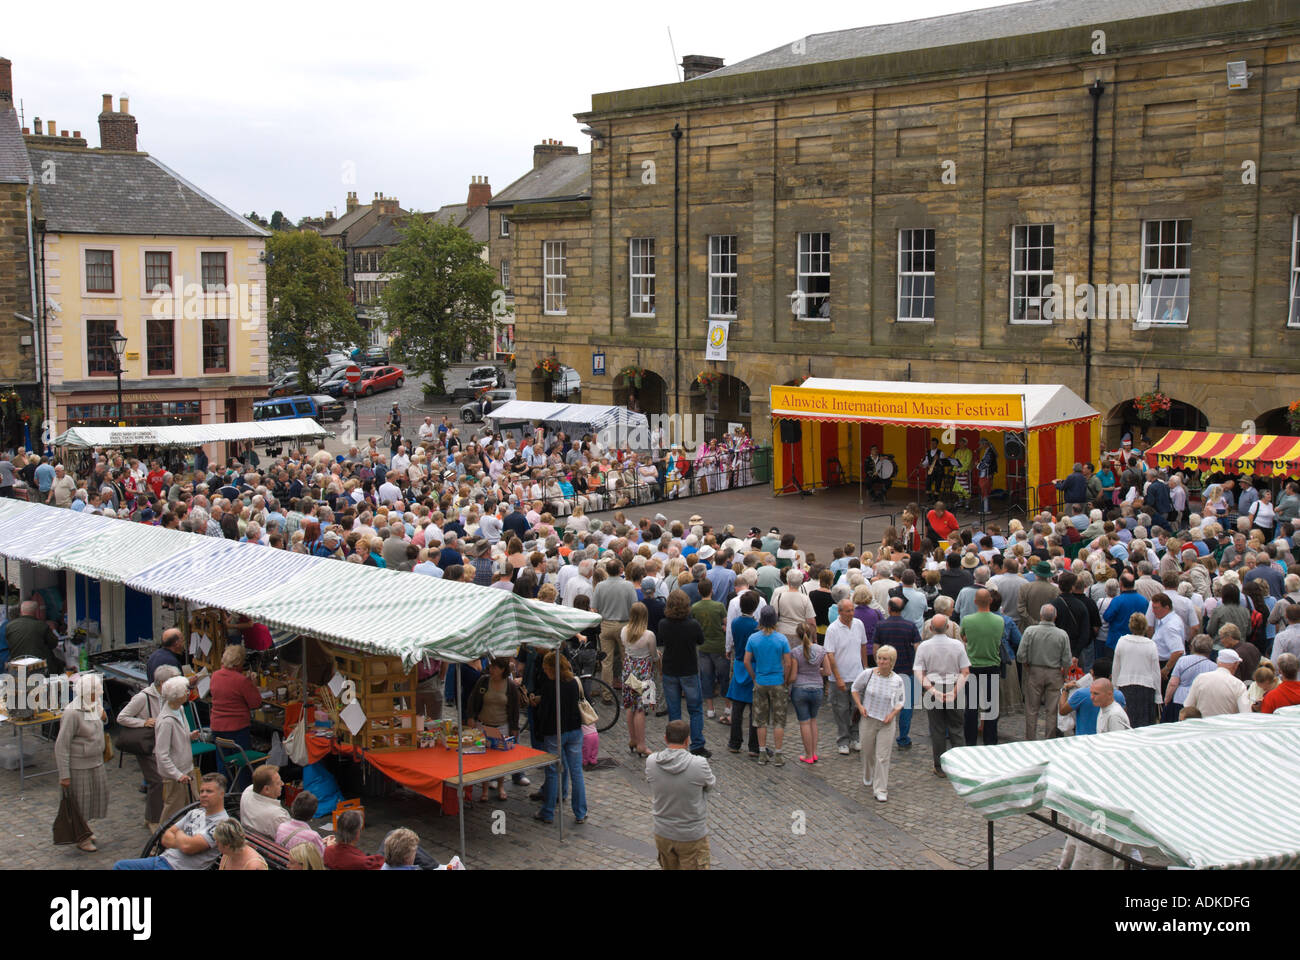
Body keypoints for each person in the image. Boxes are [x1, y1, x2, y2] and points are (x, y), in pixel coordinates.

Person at [112, 773, 230, 870]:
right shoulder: (195, 812)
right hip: (162, 860)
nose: (203, 795)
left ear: (221, 794)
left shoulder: (221, 824)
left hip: (177, 868)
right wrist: (183, 841)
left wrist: (178, 834)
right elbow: (165, 838)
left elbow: (188, 847)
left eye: (209, 791)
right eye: (202, 791)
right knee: (120, 866)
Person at [117, 663, 181, 835]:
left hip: (163, 745)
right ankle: (154, 820)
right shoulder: (143, 697)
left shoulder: (168, 696)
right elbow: (122, 717)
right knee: (157, 782)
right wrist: (143, 722)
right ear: (161, 684)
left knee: (161, 782)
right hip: (148, 746)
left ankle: (150, 817)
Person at [645, 719, 716, 870]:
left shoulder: (651, 761)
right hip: (691, 835)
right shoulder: (699, 764)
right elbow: (710, 785)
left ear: (665, 738)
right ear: (687, 740)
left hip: (663, 833)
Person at [531, 650, 587, 825]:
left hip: (555, 732)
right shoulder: (573, 682)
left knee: (553, 771)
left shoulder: (550, 685)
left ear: (550, 668)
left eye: (545, 668)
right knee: (576, 772)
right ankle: (580, 812)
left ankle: (548, 811)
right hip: (575, 730)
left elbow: (546, 712)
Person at [55, 673, 109, 854]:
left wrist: (104, 716)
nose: (97, 696)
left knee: (93, 799)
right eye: (94, 693)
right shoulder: (71, 713)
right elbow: (61, 745)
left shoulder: (94, 705)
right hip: (79, 765)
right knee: (80, 804)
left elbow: (102, 721)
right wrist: (64, 774)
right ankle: (82, 837)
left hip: (96, 761)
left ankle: (84, 830)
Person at [913, 615, 970, 777]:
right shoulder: (958, 645)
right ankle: (960, 765)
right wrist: (954, 691)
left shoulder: (924, 647)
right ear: (947, 628)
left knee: (937, 729)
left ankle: (939, 767)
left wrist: (932, 691)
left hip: (933, 687)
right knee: (957, 728)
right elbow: (965, 671)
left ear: (930, 628)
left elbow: (918, 672)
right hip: (954, 686)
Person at [851, 644, 906, 802]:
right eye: (880, 658)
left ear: (892, 662)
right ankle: (868, 773)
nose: (882, 662)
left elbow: (901, 701)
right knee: (867, 752)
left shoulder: (897, 680)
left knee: (882, 756)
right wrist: (860, 706)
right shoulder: (868, 674)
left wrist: (893, 714)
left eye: (885, 659)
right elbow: (855, 689)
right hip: (868, 720)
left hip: (886, 723)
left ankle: (881, 789)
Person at [658, 589, 708, 756]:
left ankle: (675, 743)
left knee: (674, 710)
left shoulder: (663, 624)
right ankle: (697, 744)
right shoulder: (692, 625)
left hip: (670, 670)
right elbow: (701, 640)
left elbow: (662, 641)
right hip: (688, 670)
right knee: (695, 708)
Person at [466, 657, 523, 800]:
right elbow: (473, 699)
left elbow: (515, 708)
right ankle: (484, 789)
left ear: (502, 669)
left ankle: (501, 786)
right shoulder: (484, 681)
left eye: (495, 668)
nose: (491, 670)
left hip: (502, 726)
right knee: (484, 757)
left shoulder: (509, 685)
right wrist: (471, 716)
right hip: (483, 724)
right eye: (491, 667)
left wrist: (514, 727)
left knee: (500, 758)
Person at [745, 606, 794, 766]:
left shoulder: (753, 638)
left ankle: (762, 752)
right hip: (777, 681)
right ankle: (778, 754)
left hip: (761, 681)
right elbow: (788, 663)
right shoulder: (781, 639)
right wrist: (785, 679)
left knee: (761, 720)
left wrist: (754, 677)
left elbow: (746, 661)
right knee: (779, 720)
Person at [209, 644, 262, 792]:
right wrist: (253, 685)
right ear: (239, 662)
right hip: (237, 728)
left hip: (218, 727)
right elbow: (255, 703)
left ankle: (222, 794)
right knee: (243, 764)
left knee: (223, 764)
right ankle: (243, 793)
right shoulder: (241, 681)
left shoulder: (215, 675)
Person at [1016, 604, 1071, 740]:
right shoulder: (1062, 634)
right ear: (1055, 617)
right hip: (1054, 672)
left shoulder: (1030, 631)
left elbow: (1021, 654)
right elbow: (1067, 660)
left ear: (1041, 616)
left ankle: (1030, 739)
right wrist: (1063, 675)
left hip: (1035, 671)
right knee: (1052, 710)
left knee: (1031, 709)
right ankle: (1049, 738)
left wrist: (1027, 666)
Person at [823, 597, 868, 755]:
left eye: (852, 610)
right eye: (848, 611)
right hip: (840, 677)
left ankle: (855, 736)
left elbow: (863, 645)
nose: (851, 613)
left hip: (857, 674)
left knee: (857, 708)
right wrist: (838, 677)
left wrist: (865, 667)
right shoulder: (833, 629)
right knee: (840, 710)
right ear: (840, 612)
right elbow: (830, 654)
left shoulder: (858, 624)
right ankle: (843, 739)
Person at [960, 588, 1004, 745]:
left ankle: (970, 742)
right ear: (990, 601)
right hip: (992, 665)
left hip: (973, 666)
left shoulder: (967, 620)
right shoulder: (999, 621)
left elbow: (964, 637)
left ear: (975, 602)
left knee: (971, 707)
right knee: (991, 708)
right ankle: (990, 741)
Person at [155, 675, 201, 824]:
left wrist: (189, 736)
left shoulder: (180, 710)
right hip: (175, 773)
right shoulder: (166, 721)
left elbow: (178, 737)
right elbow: (162, 754)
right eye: (185, 691)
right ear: (177, 696)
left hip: (187, 767)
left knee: (191, 803)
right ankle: (160, 841)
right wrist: (176, 774)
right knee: (173, 809)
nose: (188, 693)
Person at [724, 590, 761, 758]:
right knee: (755, 708)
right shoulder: (756, 627)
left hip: (739, 663)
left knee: (737, 709)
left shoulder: (736, 623)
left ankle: (734, 742)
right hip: (752, 665)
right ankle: (754, 745)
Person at [620, 602, 658, 757]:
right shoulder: (649, 635)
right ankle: (641, 744)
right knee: (641, 708)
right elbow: (654, 656)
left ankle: (633, 740)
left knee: (630, 705)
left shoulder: (624, 631)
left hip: (628, 669)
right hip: (643, 672)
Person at [1111, 612, 1161, 727]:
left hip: (1125, 686)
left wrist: (1114, 687)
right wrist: (1158, 695)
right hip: (1146, 688)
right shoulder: (1151, 644)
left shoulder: (1122, 641)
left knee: (1127, 722)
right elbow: (1155, 672)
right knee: (1145, 724)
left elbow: (1116, 667)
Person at [789, 622, 829, 764]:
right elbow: (828, 671)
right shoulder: (821, 650)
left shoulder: (795, 652)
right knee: (813, 721)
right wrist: (816, 671)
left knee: (804, 723)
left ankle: (808, 755)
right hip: (817, 687)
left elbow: (793, 676)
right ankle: (814, 752)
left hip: (800, 688)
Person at [1182, 649, 1251, 719]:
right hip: (1226, 727)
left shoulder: (1200, 678)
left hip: (1203, 726)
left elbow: (1188, 706)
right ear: (1235, 665)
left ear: (1217, 661)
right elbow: (1246, 713)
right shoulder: (1238, 685)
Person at [1163, 635, 1216, 723]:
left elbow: (1173, 683)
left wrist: (1167, 699)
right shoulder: (1214, 666)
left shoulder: (1182, 660)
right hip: (1200, 703)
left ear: (1192, 646)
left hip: (1180, 700)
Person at [6, 599, 65, 672]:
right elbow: (53, 644)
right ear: (36, 612)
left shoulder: (9, 626)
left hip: (17, 666)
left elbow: (8, 644)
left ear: (21, 611)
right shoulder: (42, 625)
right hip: (38, 667)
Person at [240, 763, 290, 836]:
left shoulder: (247, 792)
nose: (282, 784)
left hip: (253, 840)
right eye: (278, 783)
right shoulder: (277, 816)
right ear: (266, 789)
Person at [275, 791, 328, 856]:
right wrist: (328, 846)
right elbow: (321, 856)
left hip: (283, 860)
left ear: (293, 807)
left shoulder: (281, 827)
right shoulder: (313, 836)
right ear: (312, 814)